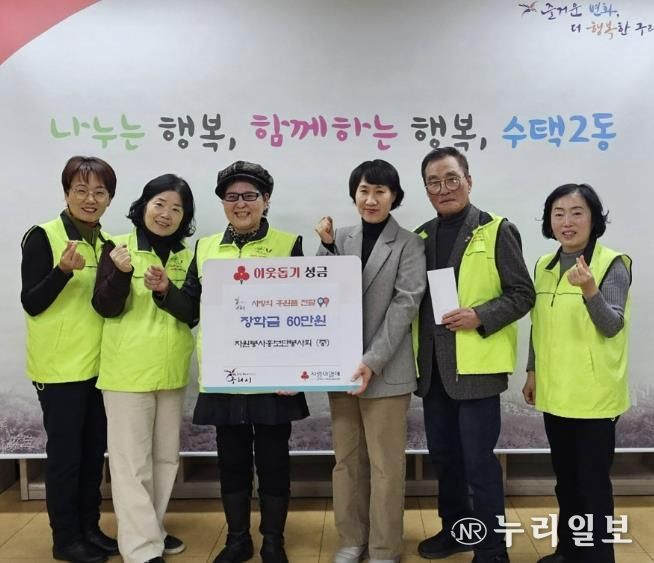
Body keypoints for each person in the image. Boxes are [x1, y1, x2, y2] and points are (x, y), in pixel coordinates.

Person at [147, 161, 309, 563]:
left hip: (273, 377)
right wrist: (165, 291)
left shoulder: (289, 244)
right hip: (224, 374)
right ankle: (238, 540)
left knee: (274, 461)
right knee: (231, 462)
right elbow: (191, 310)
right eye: (231, 196)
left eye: (250, 196)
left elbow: (305, 310)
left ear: (266, 200)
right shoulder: (205, 247)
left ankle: (273, 541)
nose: (241, 204)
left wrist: (297, 369)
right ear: (222, 202)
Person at [413, 147, 535, 563]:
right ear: (426, 189)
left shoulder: (496, 229)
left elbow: (522, 294)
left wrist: (480, 315)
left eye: (451, 178)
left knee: (479, 463)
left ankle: (492, 548)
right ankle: (456, 530)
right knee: (444, 459)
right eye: (434, 182)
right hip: (433, 371)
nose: (443, 188)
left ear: (468, 180)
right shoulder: (420, 236)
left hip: (476, 370)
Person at [315, 160, 426, 563]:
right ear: (354, 195)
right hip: (342, 371)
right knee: (346, 462)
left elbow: (405, 305)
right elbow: (321, 293)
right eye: (364, 190)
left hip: (387, 372)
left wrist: (372, 360)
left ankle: (384, 547)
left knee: (386, 467)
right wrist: (326, 247)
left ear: (394, 196)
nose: (371, 199)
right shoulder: (340, 237)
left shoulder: (410, 244)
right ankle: (351, 540)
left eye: (380, 191)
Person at [522, 184, 632, 563]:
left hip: (594, 398)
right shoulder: (544, 265)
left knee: (593, 487)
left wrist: (589, 289)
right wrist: (532, 371)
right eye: (558, 213)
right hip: (556, 394)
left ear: (593, 218)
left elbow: (612, 325)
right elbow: (538, 324)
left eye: (576, 212)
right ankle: (568, 552)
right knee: (566, 483)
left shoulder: (611, 264)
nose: (566, 222)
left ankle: (599, 557)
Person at [92, 174, 196, 563]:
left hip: (170, 371)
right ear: (144, 206)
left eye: (176, 209)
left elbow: (192, 313)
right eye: (159, 204)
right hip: (127, 373)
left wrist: (166, 290)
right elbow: (104, 306)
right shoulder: (117, 247)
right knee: (130, 464)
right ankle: (140, 549)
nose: (166, 214)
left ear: (184, 217)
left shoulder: (188, 256)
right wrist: (121, 274)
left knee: (165, 460)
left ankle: (153, 530)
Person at [20, 156, 119, 563]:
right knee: (66, 458)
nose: (90, 199)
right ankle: (65, 539)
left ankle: (90, 529)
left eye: (99, 192)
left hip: (100, 368)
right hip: (60, 370)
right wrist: (61, 271)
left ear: (109, 198)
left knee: (94, 454)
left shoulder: (109, 244)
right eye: (81, 190)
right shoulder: (43, 236)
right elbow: (31, 302)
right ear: (66, 194)